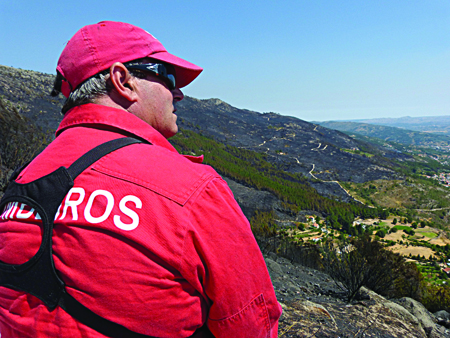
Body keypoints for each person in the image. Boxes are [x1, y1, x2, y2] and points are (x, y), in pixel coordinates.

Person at [0, 21, 282, 337]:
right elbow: (252, 326)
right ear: (123, 81)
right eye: (168, 76)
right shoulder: (191, 190)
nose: (179, 93)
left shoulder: (23, 179)